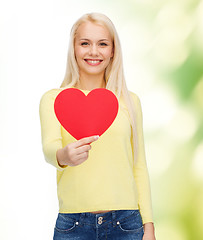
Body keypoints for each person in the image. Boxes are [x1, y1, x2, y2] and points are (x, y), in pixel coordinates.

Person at [39, 12, 156, 240]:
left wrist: (148, 225)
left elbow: (139, 165)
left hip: (127, 224)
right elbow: (49, 149)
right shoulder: (53, 99)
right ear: (74, 48)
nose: (94, 51)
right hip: (73, 225)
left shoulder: (130, 102)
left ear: (113, 51)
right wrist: (64, 156)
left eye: (102, 44)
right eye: (85, 43)